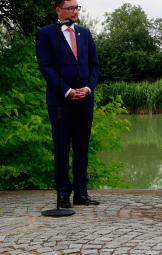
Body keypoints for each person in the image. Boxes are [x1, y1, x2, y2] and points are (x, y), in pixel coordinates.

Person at [36, 0, 100, 208]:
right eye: (71, 8)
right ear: (58, 10)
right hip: (61, 102)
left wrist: (88, 88)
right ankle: (63, 194)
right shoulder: (46, 34)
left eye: (77, 7)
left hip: (85, 100)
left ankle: (81, 193)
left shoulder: (85, 33)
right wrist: (67, 90)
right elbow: (46, 67)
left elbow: (94, 66)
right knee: (62, 148)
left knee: (82, 148)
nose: (75, 11)